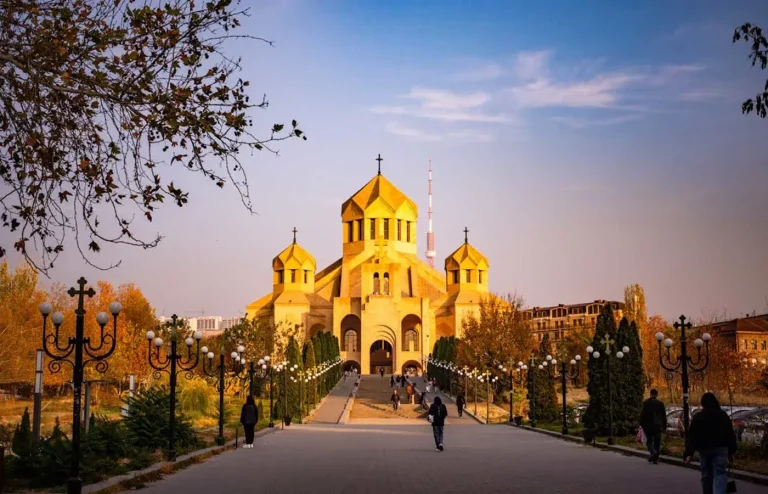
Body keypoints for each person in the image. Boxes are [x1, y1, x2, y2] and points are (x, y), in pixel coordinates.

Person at [684, 392, 738, 494]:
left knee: (706, 474)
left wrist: (689, 453)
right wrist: (731, 451)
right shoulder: (723, 415)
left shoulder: (699, 417)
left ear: (703, 403)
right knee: (720, 473)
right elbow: (730, 434)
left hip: (704, 449)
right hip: (721, 449)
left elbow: (692, 436)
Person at [639, 389, 667, 464]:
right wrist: (664, 427)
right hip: (658, 426)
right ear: (657, 395)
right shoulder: (660, 404)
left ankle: (653, 453)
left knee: (649, 441)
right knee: (657, 442)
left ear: (650, 394)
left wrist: (641, 424)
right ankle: (655, 457)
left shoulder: (645, 403)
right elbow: (664, 416)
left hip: (648, 426)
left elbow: (642, 415)